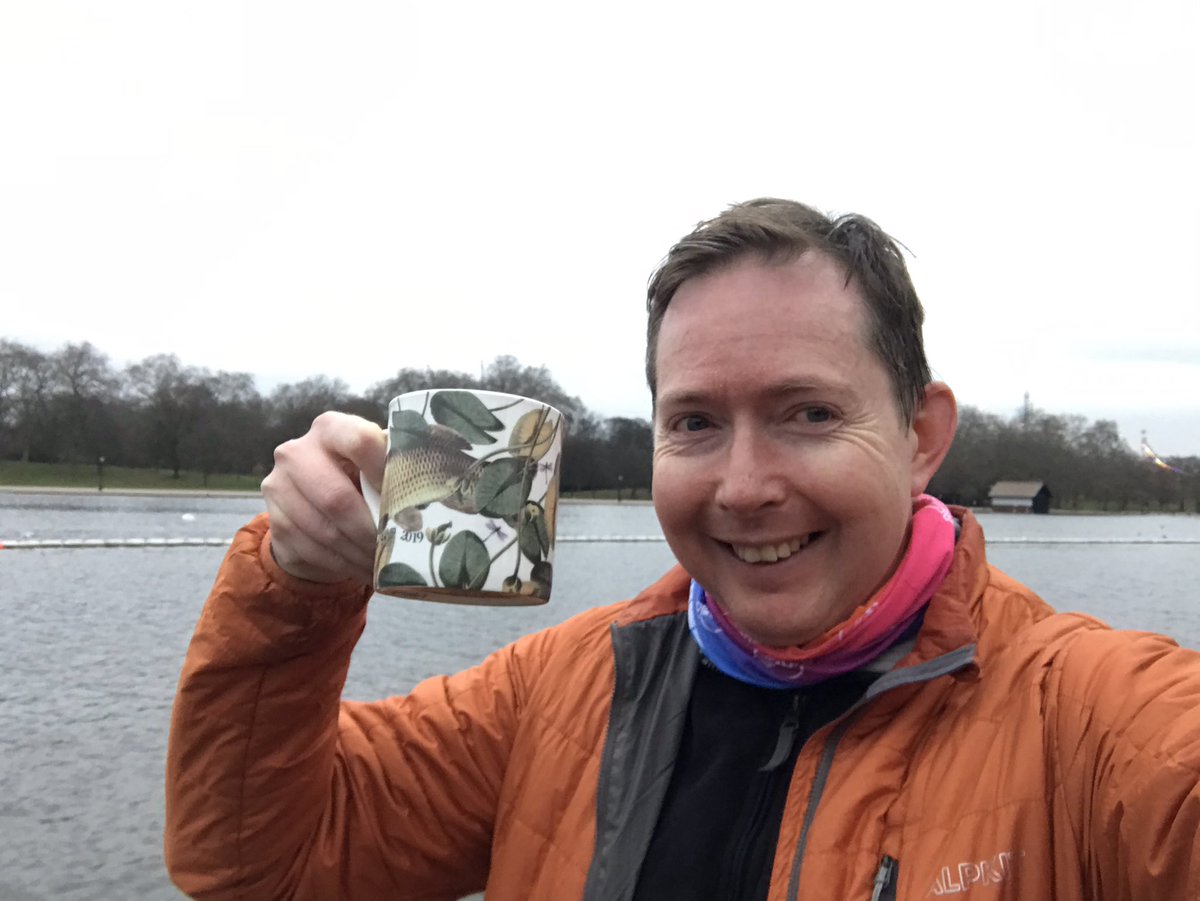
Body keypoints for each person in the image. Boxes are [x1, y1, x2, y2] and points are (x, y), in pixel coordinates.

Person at [165, 199, 1200, 900]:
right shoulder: (559, 691)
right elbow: (258, 864)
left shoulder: (1089, 716)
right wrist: (294, 586)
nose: (744, 486)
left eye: (808, 413)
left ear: (921, 435)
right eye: (696, 423)